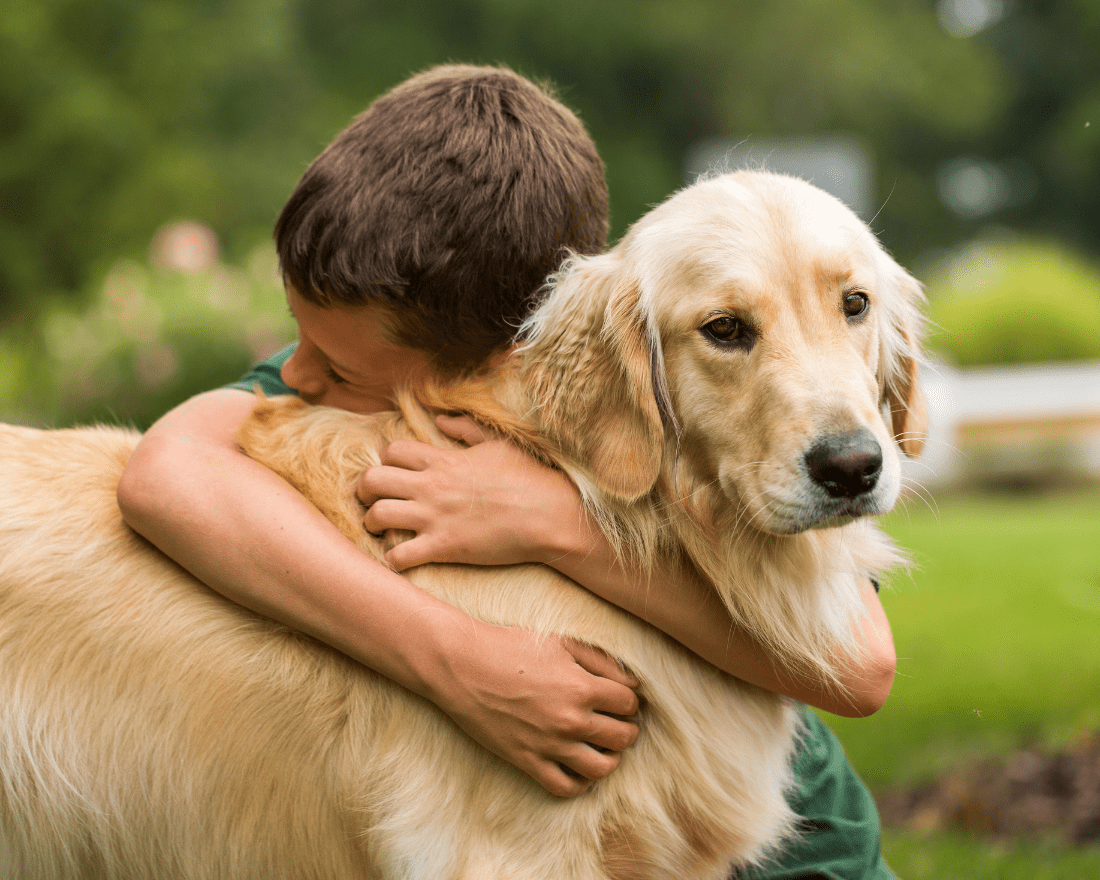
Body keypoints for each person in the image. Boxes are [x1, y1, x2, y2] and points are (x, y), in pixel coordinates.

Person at [117, 63, 897, 878]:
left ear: (500, 361)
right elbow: (163, 474)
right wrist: (457, 659)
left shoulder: (622, 367)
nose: (299, 377)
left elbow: (861, 664)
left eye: (339, 369)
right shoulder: (391, 336)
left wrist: (555, 526)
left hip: (805, 846)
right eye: (300, 338)